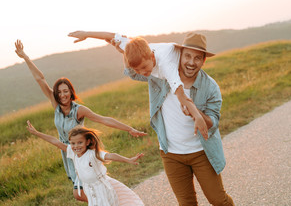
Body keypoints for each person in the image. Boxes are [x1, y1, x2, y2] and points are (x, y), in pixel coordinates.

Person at [72, 32, 234, 205]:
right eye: (187, 56)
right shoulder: (158, 76)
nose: (191, 62)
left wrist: (198, 116)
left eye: (197, 58)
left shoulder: (210, 87)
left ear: (203, 61)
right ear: (180, 56)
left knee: (219, 200)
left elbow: (213, 122)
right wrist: (106, 41)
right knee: (186, 203)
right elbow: (134, 69)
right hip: (171, 154)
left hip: (201, 152)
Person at [14, 40, 147, 202]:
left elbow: (103, 119)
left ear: (71, 92)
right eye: (59, 92)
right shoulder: (55, 105)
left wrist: (129, 129)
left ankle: (110, 198)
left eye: (65, 91)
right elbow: (40, 79)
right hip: (68, 152)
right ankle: (106, 198)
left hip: (80, 151)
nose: (62, 95)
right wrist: (25, 57)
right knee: (81, 192)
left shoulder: (79, 110)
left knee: (81, 192)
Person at [68, 31, 208, 140]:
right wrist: (86, 34)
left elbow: (181, 94)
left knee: (181, 97)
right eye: (138, 70)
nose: (143, 73)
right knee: (135, 70)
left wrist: (197, 116)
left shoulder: (166, 65)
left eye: (145, 68)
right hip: (161, 70)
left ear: (152, 57)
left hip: (182, 67)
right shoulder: (134, 48)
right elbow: (111, 36)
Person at [26, 120, 144, 206]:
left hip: (101, 189)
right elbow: (56, 142)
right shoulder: (72, 153)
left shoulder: (93, 154)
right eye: (73, 143)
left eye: (79, 143)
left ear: (87, 142)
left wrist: (128, 160)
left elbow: (110, 156)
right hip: (89, 190)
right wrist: (37, 133)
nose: (76, 146)